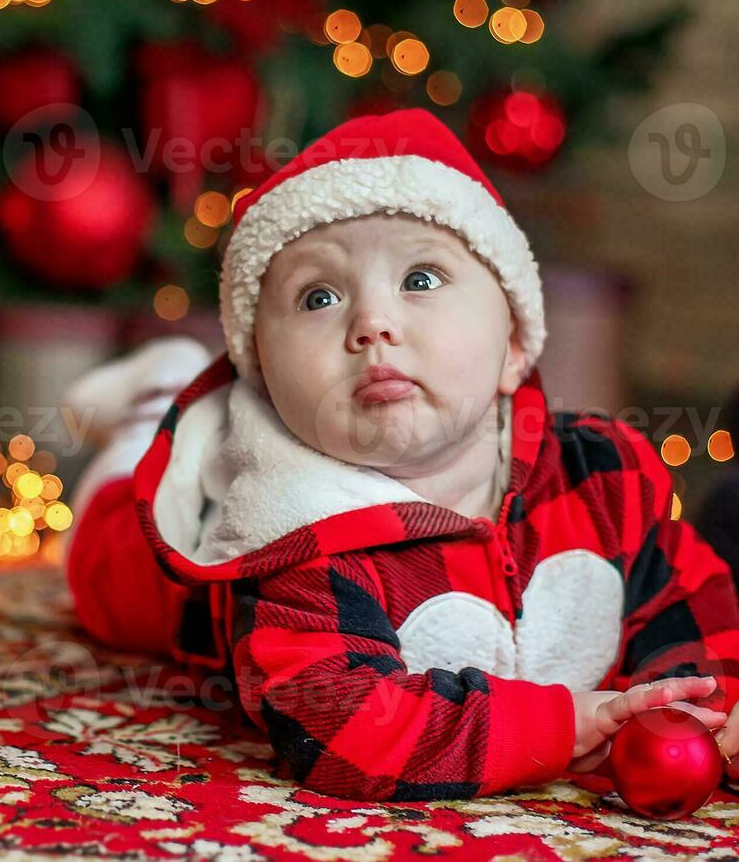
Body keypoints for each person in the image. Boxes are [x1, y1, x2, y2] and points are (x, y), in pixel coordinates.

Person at [63, 109, 739, 801]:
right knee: (102, 575)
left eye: (420, 279)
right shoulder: (294, 537)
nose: (371, 324)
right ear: (261, 376)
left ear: (512, 348)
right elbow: (341, 728)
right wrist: (559, 727)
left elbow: (686, 594)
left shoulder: (598, 478)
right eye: (318, 296)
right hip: (164, 564)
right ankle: (153, 406)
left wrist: (697, 703)